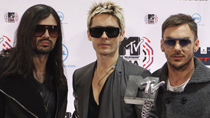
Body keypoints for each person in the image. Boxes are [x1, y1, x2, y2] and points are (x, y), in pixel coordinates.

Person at [72, 1, 157, 118]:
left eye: (111, 31)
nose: (104, 36)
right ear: (89, 34)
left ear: (121, 35)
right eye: (97, 31)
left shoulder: (138, 76)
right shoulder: (80, 76)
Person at [0, 4, 68, 118]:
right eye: (39, 29)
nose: (46, 35)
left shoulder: (60, 82)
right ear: (26, 32)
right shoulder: (4, 73)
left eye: (53, 30)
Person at [152, 13, 210, 118]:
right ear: (162, 45)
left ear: (196, 45)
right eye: (170, 42)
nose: (177, 48)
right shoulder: (151, 83)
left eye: (184, 42)